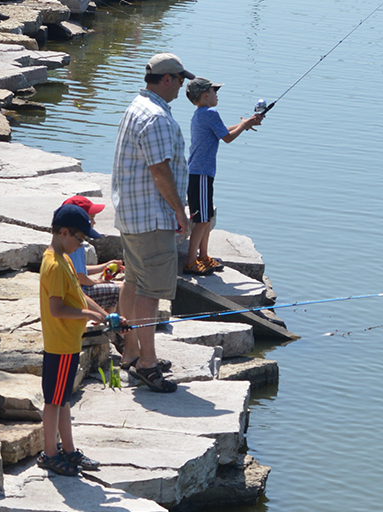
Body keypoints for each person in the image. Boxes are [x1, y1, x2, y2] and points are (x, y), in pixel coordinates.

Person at [111, 52, 195, 393]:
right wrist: (180, 211)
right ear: (167, 80)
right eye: (180, 79)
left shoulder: (137, 106)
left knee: (134, 280)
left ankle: (131, 351)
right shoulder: (157, 117)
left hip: (131, 214)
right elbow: (159, 171)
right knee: (150, 290)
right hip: (151, 216)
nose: (182, 86)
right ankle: (147, 363)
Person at [38, 203, 113, 476]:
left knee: (64, 399)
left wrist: (105, 315)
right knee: (53, 401)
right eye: (80, 239)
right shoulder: (54, 265)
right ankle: (49, 454)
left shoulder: (66, 260)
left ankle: (68, 451)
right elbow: (56, 309)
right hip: (58, 346)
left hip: (69, 344)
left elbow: (81, 297)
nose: (81, 245)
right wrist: (88, 314)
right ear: (64, 232)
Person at [183, 78, 262, 275]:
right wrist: (243, 127)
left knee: (206, 216)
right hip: (200, 174)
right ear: (205, 95)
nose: (217, 94)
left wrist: (244, 123)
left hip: (202, 173)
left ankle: (203, 256)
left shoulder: (202, 114)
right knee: (201, 219)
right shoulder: (210, 112)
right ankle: (191, 261)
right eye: (214, 91)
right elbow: (227, 138)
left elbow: (222, 130)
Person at [62, 195, 123, 313]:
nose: (94, 222)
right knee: (122, 288)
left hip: (74, 291)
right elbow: (81, 278)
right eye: (91, 218)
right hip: (77, 294)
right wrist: (99, 282)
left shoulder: (69, 241)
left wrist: (104, 266)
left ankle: (105, 319)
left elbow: (79, 270)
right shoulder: (75, 245)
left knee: (114, 286)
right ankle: (111, 324)